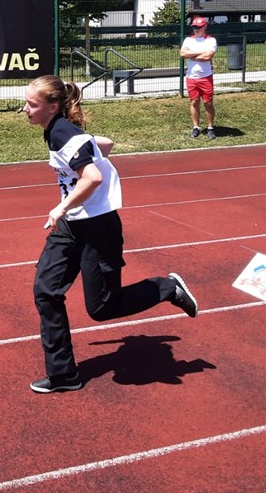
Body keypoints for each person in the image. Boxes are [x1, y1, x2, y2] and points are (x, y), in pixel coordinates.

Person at [23, 75, 198, 393]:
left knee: (102, 307)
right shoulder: (58, 129)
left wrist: (61, 207)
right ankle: (63, 375)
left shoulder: (61, 132)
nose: (25, 109)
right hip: (72, 226)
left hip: (98, 227)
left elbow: (92, 178)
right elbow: (105, 144)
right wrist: (87, 148)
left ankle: (167, 288)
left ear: (52, 106)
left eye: (32, 104)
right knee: (46, 291)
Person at [179, 16, 218, 139]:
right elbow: (182, 53)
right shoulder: (188, 40)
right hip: (191, 77)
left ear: (205, 27)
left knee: (208, 103)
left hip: (206, 77)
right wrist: (200, 53)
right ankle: (195, 127)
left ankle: (210, 127)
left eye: (199, 27)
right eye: (194, 27)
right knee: (194, 102)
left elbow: (208, 57)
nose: (196, 29)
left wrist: (191, 55)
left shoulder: (211, 40)